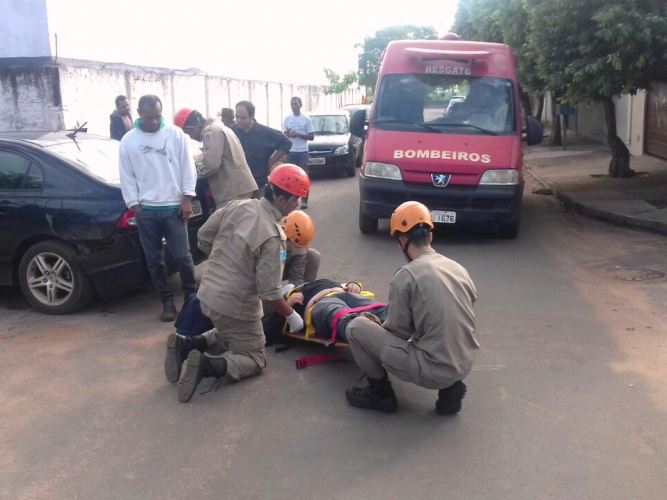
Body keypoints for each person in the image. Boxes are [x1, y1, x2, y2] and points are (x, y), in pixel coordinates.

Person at [170, 163, 311, 403]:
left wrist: (227, 258)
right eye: (295, 200)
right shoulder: (273, 237)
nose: (297, 205)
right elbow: (269, 292)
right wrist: (291, 316)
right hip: (235, 303)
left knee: (232, 331)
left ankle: (186, 345)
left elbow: (203, 237)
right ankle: (206, 365)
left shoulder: (238, 206)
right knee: (255, 356)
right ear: (280, 198)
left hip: (207, 292)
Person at [344, 201, 480, 415]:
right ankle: (450, 387)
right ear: (430, 237)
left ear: (402, 241)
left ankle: (380, 394)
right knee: (437, 335)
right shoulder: (457, 268)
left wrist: (374, 323)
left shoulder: (406, 276)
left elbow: (398, 332)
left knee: (356, 327)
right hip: (465, 361)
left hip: (434, 369)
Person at [119, 94, 198, 322]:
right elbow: (126, 176)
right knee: (154, 260)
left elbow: (188, 167)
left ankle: (191, 298)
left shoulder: (175, 135)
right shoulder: (129, 141)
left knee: (182, 257)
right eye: (148, 117)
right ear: (138, 113)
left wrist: (187, 199)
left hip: (174, 207)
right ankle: (167, 302)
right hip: (147, 211)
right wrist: (135, 206)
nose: (153, 121)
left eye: (157, 116)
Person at [173, 108, 258, 209]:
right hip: (240, 188)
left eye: (188, 132)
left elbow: (211, 165)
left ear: (195, 124)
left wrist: (193, 176)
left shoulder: (210, 132)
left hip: (231, 193)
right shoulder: (218, 127)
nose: (191, 137)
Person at [232, 100, 292, 192]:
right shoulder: (231, 131)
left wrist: (271, 161)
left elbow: (286, 142)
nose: (239, 120)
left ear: (252, 117)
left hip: (259, 184)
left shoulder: (265, 133)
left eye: (243, 118)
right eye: (237, 117)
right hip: (238, 185)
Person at [283, 97, 314, 208]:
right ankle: (292, 200)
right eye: (292, 104)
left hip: (302, 152)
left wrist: (299, 135)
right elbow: (284, 134)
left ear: (300, 105)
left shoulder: (306, 119)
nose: (293, 106)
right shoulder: (287, 118)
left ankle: (304, 200)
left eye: (296, 104)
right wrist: (289, 134)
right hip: (291, 151)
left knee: (303, 176)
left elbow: (312, 137)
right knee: (290, 177)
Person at [281, 209, 320, 286]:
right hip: (260, 273)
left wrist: (297, 292)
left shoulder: (299, 249)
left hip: (283, 266)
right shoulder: (272, 234)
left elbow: (296, 277)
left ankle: (308, 287)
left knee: (314, 256)